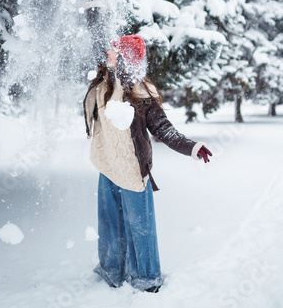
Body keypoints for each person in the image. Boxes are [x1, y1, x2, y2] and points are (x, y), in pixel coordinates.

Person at [83, 34, 212, 293]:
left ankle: (147, 279)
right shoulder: (103, 82)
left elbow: (163, 129)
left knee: (140, 227)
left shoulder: (141, 94)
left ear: (125, 59)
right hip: (107, 164)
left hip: (132, 169)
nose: (109, 53)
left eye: (115, 51)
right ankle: (112, 271)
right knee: (109, 223)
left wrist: (192, 147)